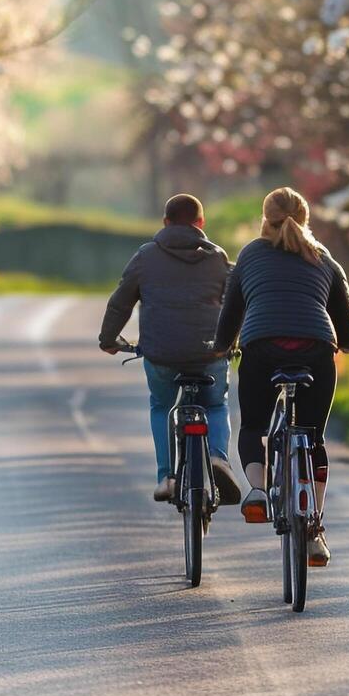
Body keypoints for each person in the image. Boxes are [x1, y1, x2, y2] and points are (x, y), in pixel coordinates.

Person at [212, 186, 349, 567]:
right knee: (314, 437)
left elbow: (232, 309)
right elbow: (346, 321)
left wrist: (221, 344)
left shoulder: (250, 255)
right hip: (315, 349)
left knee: (254, 427)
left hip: (261, 347)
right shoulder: (324, 259)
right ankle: (314, 528)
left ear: (265, 218)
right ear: (306, 219)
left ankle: (259, 492)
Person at [98, 193, 243, 505]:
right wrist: (235, 341)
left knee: (162, 406)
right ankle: (218, 458)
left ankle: (166, 476)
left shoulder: (145, 256)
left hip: (161, 353)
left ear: (165, 222)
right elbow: (236, 303)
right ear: (201, 223)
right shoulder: (218, 257)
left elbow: (121, 302)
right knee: (216, 405)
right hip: (209, 353)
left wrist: (109, 340)